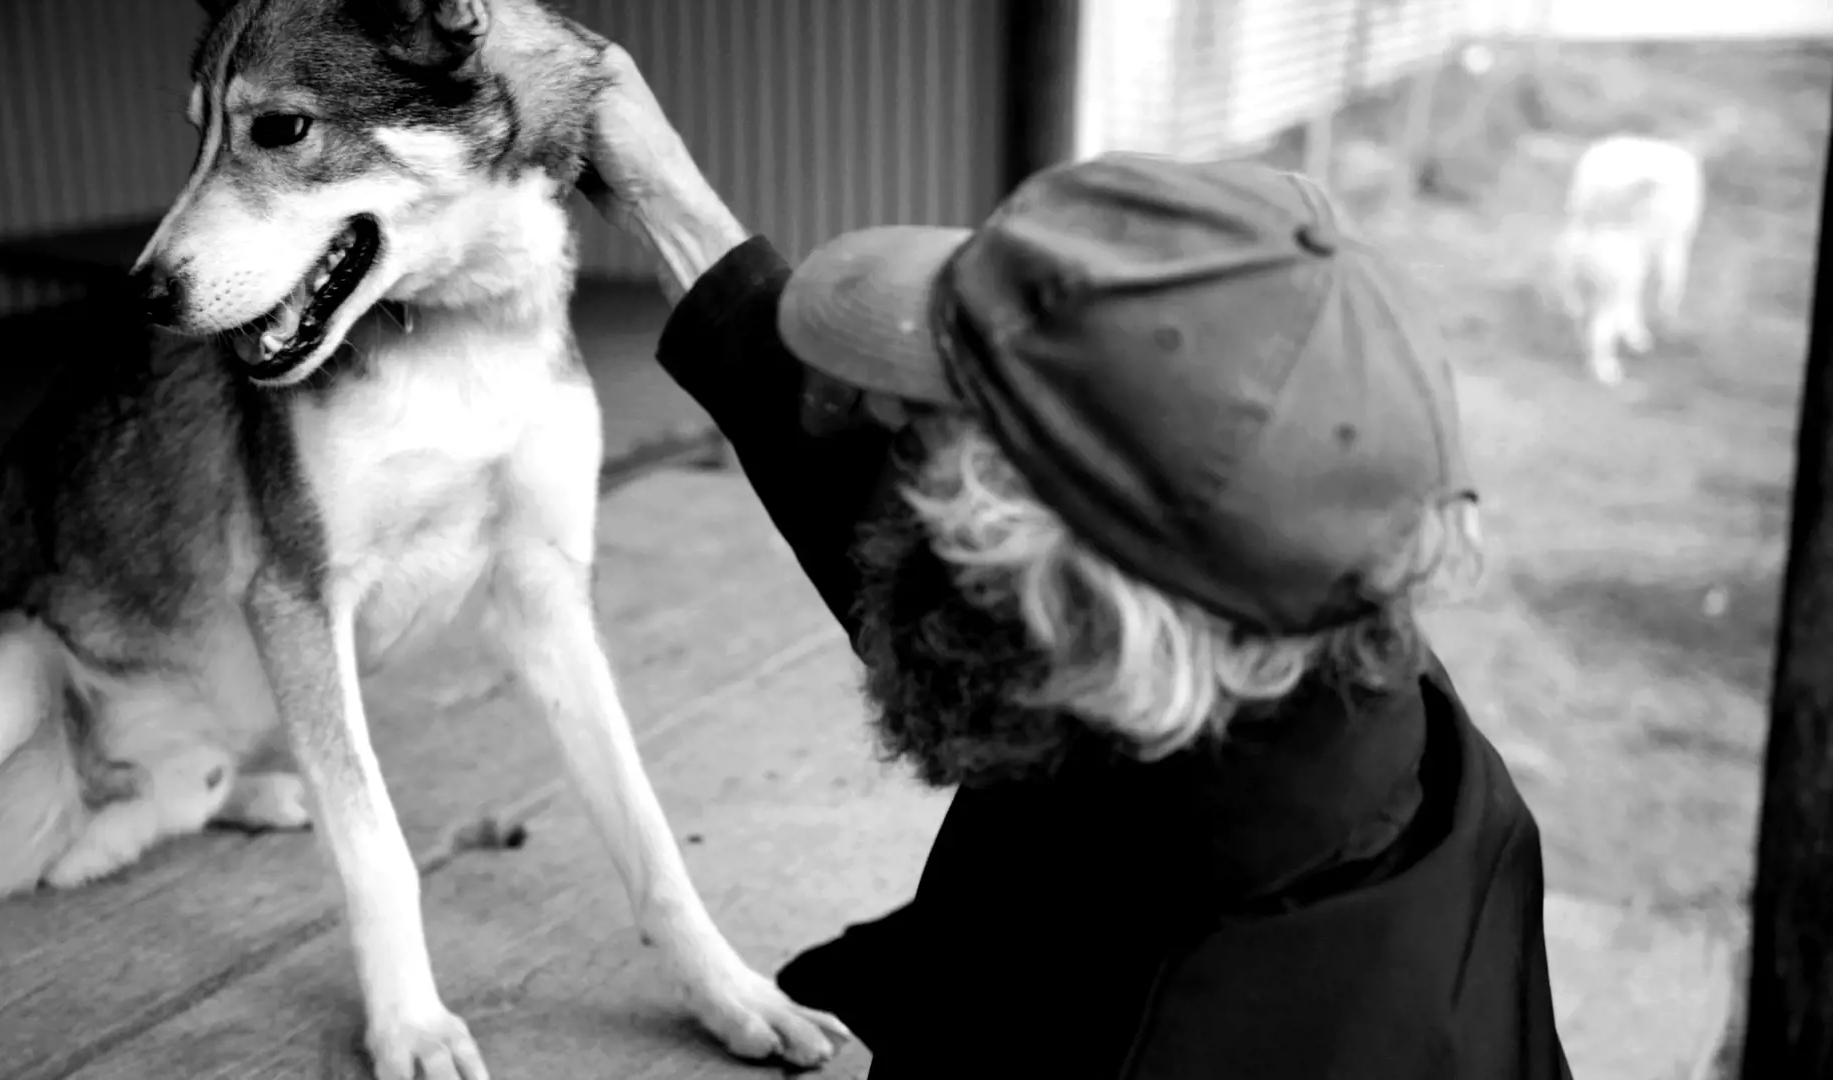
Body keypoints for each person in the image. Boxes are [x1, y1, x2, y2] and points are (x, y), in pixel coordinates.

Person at [579, 43, 1573, 1080]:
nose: (869, 413)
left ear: (1084, 601)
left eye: (929, 432)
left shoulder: (1186, 1033)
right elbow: (931, 582)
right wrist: (656, 182)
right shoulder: (1297, 650)